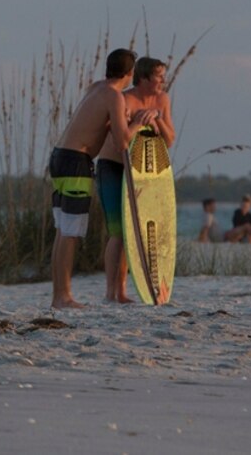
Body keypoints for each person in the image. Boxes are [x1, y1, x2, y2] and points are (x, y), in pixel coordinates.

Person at [49, 48, 153, 309]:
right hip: (76, 162)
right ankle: (64, 297)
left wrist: (119, 121)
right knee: (71, 232)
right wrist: (139, 122)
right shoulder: (115, 96)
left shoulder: (96, 87)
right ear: (129, 74)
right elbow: (122, 142)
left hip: (59, 157)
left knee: (63, 230)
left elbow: (97, 123)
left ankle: (58, 296)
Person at [95, 55, 176, 302]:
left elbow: (169, 140)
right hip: (113, 167)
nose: (163, 80)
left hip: (142, 173)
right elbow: (117, 139)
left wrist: (157, 120)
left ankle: (125, 291)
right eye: (158, 76)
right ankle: (112, 292)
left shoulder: (162, 100)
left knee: (138, 229)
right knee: (119, 230)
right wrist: (136, 122)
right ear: (143, 78)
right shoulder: (124, 99)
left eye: (163, 76)